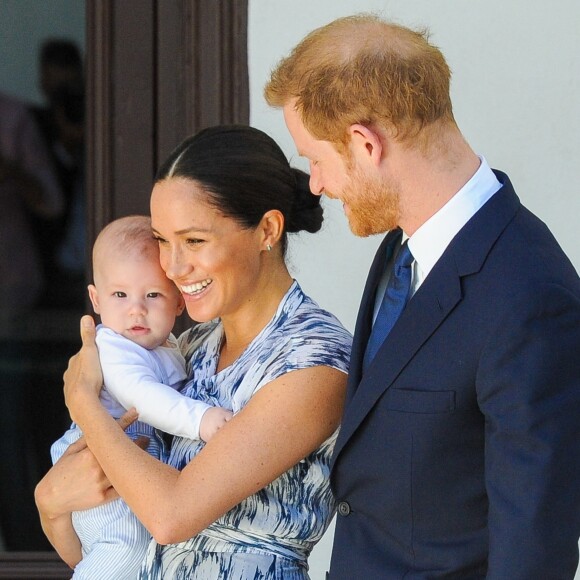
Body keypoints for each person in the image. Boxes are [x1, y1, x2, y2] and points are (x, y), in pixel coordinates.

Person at [264, 13, 580, 580]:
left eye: (315, 159)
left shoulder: (530, 295)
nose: (314, 184)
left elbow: (534, 547)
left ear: (365, 143)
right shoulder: (400, 249)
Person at [35, 125, 352, 578]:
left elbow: (169, 517)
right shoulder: (190, 348)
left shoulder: (314, 360)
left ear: (267, 230)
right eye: (163, 240)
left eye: (194, 241)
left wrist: (83, 402)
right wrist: (49, 505)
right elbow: (101, 556)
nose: (173, 266)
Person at [50, 214, 232, 578]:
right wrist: (202, 419)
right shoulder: (112, 347)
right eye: (120, 294)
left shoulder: (171, 347)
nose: (136, 309)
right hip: (98, 454)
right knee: (125, 544)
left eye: (152, 294)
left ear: (178, 302)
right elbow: (143, 397)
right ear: (96, 299)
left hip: (131, 457)